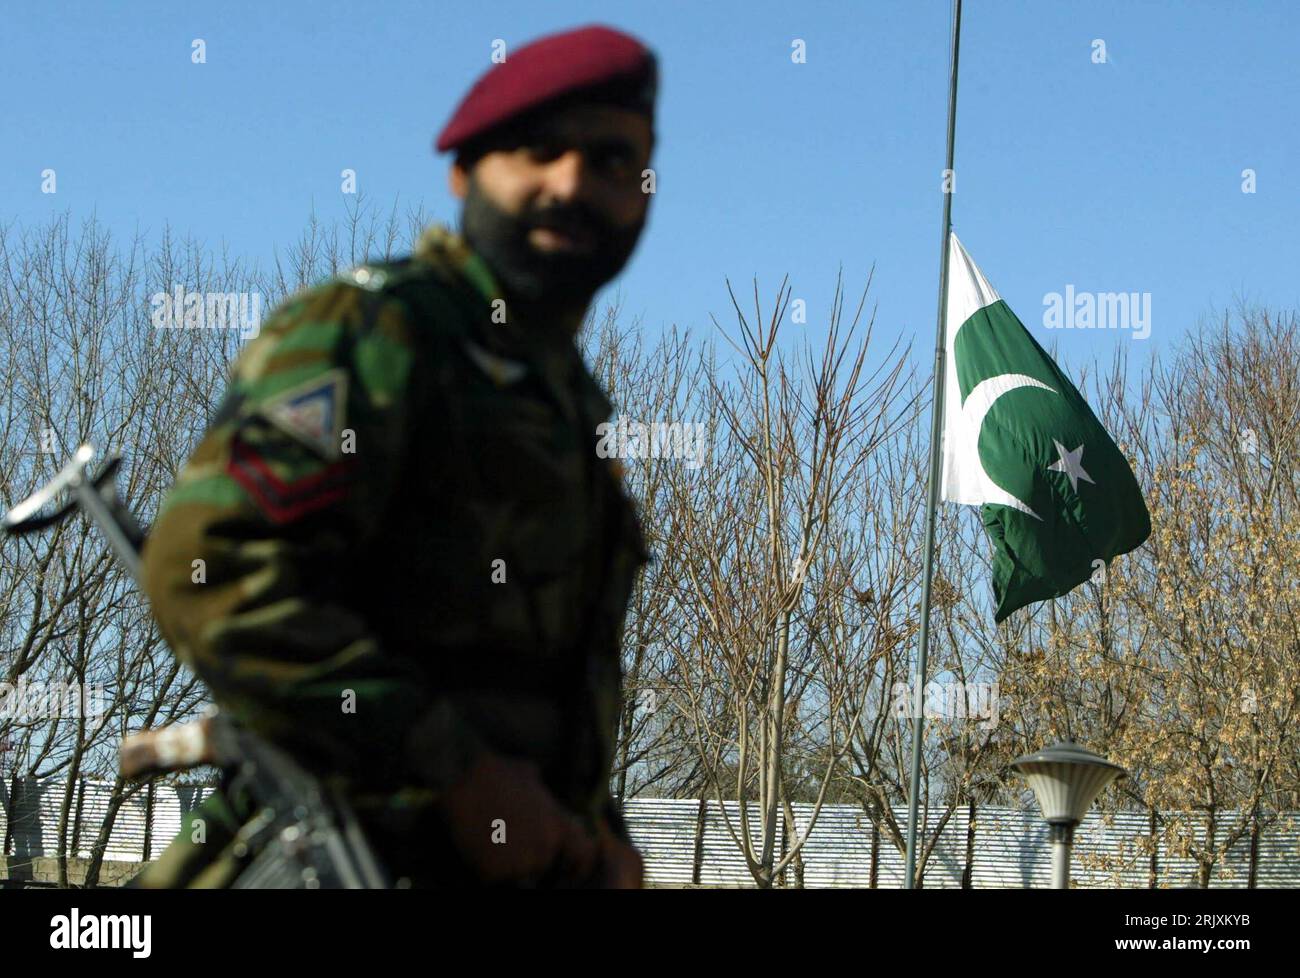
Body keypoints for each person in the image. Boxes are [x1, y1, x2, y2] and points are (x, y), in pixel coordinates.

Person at [134, 23, 656, 888]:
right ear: (463, 173)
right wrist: (454, 770)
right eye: (539, 151)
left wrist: (592, 830)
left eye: (611, 160)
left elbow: (534, 690)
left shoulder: (561, 397)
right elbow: (211, 566)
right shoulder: (378, 330)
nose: (573, 183)